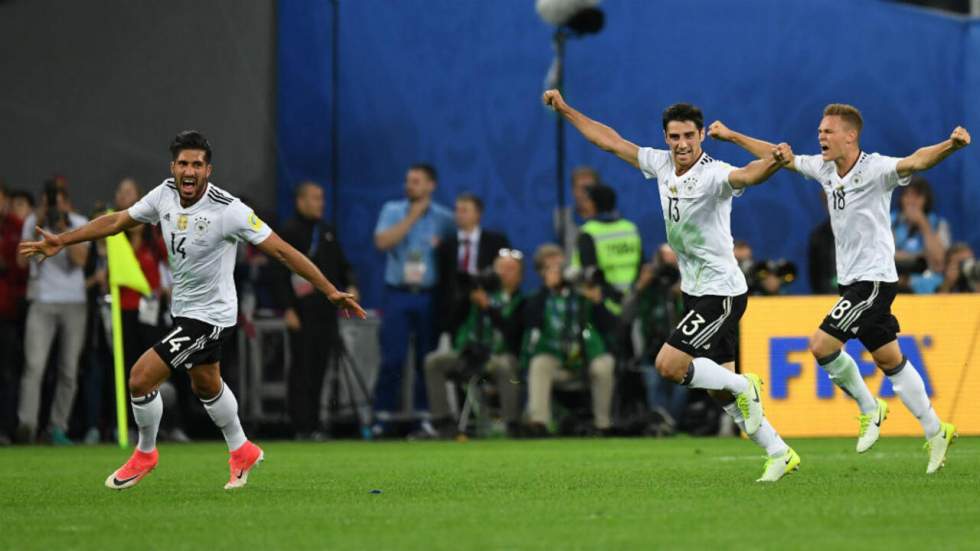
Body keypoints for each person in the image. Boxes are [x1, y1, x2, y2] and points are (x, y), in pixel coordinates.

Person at [19, 131, 365, 490]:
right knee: (206, 384)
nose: (189, 170)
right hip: (184, 311)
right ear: (173, 167)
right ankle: (242, 448)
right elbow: (117, 221)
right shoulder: (164, 193)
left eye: (197, 164)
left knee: (140, 379)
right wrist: (63, 239)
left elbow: (281, 250)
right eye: (183, 163)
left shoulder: (228, 210)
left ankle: (145, 453)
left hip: (211, 317)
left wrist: (328, 290)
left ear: (208, 170)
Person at [544, 89, 799, 482]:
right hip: (695, 290)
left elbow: (749, 173)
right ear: (666, 138)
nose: (681, 144)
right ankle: (778, 451)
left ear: (700, 137)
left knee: (668, 365)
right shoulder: (661, 166)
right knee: (719, 392)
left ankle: (744, 384)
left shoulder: (713, 175)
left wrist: (775, 165)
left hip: (723, 291)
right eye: (674, 137)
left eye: (688, 136)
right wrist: (564, 109)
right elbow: (609, 141)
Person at [711, 106, 971, 473]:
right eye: (819, 131)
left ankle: (869, 407)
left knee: (821, 344)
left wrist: (951, 145)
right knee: (889, 359)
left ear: (850, 136)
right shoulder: (824, 168)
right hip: (851, 282)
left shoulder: (876, 169)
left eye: (828, 131)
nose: (821, 137)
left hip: (874, 280)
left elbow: (916, 161)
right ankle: (935, 429)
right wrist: (734, 136)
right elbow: (780, 158)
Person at [372, 164, 454, 436]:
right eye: (408, 181)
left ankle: (424, 417)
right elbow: (382, 242)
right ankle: (381, 417)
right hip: (398, 293)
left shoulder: (444, 218)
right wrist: (412, 218)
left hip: (428, 296)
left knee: (425, 359)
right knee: (392, 357)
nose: (410, 186)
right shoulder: (393, 210)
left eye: (417, 181)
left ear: (431, 185)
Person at [274, 181, 358, 439]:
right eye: (314, 198)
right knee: (301, 368)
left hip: (325, 312)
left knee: (320, 368)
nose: (319, 203)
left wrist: (352, 284)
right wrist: (287, 308)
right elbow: (278, 273)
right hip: (301, 312)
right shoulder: (288, 231)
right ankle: (299, 424)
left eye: (321, 198)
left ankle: (315, 423)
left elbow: (343, 266)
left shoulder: (326, 231)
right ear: (300, 201)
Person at [16, 181, 89, 445]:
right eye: (51, 204)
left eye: (60, 203)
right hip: (42, 302)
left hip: (74, 303)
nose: (56, 209)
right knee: (34, 366)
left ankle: (58, 427)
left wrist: (63, 233)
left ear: (67, 203)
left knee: (68, 369)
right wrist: (37, 220)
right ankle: (27, 424)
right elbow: (20, 261)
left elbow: (80, 261)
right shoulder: (34, 224)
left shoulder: (79, 222)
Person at [424, 249, 525, 437]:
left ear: (520, 276)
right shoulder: (473, 296)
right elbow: (449, 325)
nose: (503, 273)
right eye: (500, 268)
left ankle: (512, 424)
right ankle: (442, 421)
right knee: (433, 362)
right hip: (468, 354)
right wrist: (465, 299)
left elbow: (513, 333)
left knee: (504, 365)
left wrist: (489, 308)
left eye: (510, 269)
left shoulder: (522, 301)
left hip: (497, 355)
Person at [524, 244, 616, 436]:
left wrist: (597, 302)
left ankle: (603, 425)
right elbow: (530, 320)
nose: (559, 270)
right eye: (551, 267)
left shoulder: (582, 293)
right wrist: (546, 290)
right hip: (558, 362)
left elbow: (610, 326)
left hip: (585, 360)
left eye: (560, 264)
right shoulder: (538, 298)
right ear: (541, 272)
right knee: (540, 363)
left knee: (604, 364)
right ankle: (539, 424)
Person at [435, 193, 510, 339]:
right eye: (457, 210)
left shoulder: (496, 242)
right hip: (454, 310)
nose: (459, 214)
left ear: (478, 214)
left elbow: (505, 274)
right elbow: (442, 281)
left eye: (465, 210)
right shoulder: (446, 246)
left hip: (486, 305)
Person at [573, 183, 642, 311]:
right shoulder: (630, 228)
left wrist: (613, 296)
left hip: (604, 305)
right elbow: (641, 265)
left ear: (594, 204)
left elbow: (590, 273)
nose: (585, 205)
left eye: (587, 201)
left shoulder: (588, 232)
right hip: (634, 302)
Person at [0, 185, 29, 444]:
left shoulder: (16, 228)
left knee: (8, 373)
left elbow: (22, 270)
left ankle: (6, 430)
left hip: (8, 311)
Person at [892, 177, 951, 294]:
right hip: (896, 279)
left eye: (917, 196)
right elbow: (886, 254)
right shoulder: (891, 221)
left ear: (926, 200)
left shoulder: (938, 223)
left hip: (926, 282)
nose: (911, 201)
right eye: (907, 196)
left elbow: (939, 262)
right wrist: (918, 256)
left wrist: (923, 224)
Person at [554, 166, 600, 260]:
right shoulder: (561, 218)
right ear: (573, 190)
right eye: (581, 188)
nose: (585, 193)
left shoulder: (611, 218)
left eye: (589, 188)